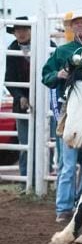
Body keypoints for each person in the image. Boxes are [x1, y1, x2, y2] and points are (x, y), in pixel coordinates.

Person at [42, 10, 82, 222]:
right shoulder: (63, 52)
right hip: (68, 111)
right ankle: (64, 207)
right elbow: (46, 76)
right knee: (69, 162)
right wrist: (58, 74)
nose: (79, 26)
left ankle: (78, 204)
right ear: (72, 27)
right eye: (76, 24)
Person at [5, 17, 32, 180]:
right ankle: (25, 180)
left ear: (30, 31)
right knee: (24, 145)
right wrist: (20, 96)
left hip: (43, 102)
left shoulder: (46, 45)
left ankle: (40, 179)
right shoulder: (12, 49)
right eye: (17, 30)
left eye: (24, 29)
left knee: (44, 144)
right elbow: (9, 79)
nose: (20, 33)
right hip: (22, 102)